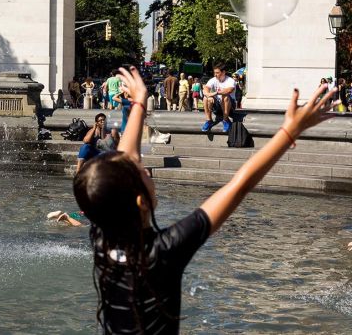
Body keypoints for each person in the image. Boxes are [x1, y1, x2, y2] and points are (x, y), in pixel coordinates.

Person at [73, 66, 337, 334]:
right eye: (145, 174)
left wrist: (139, 102)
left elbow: (125, 165)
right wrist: (290, 131)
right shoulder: (162, 253)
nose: (146, 168)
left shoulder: (102, 234)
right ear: (141, 202)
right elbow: (239, 184)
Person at [202, 63, 237, 133]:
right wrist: (209, 96)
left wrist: (215, 93)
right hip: (218, 105)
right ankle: (209, 120)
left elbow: (228, 90)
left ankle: (226, 120)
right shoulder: (213, 80)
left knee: (225, 96)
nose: (215, 74)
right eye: (214, 73)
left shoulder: (230, 80)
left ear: (223, 72)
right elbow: (205, 89)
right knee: (205, 98)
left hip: (230, 106)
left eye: (217, 73)